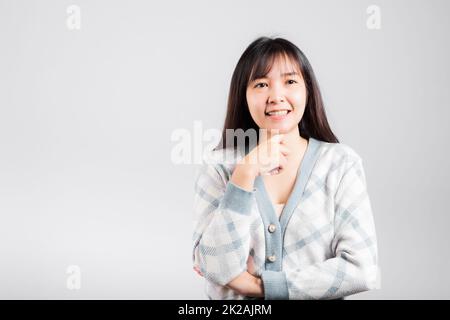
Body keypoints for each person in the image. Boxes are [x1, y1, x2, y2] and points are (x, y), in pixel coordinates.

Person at [192, 36, 379, 300]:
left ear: (308, 90)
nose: (276, 96)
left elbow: (362, 269)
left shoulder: (340, 164)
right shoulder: (220, 167)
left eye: (290, 81)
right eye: (261, 84)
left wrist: (262, 287)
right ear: (243, 95)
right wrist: (244, 174)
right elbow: (214, 266)